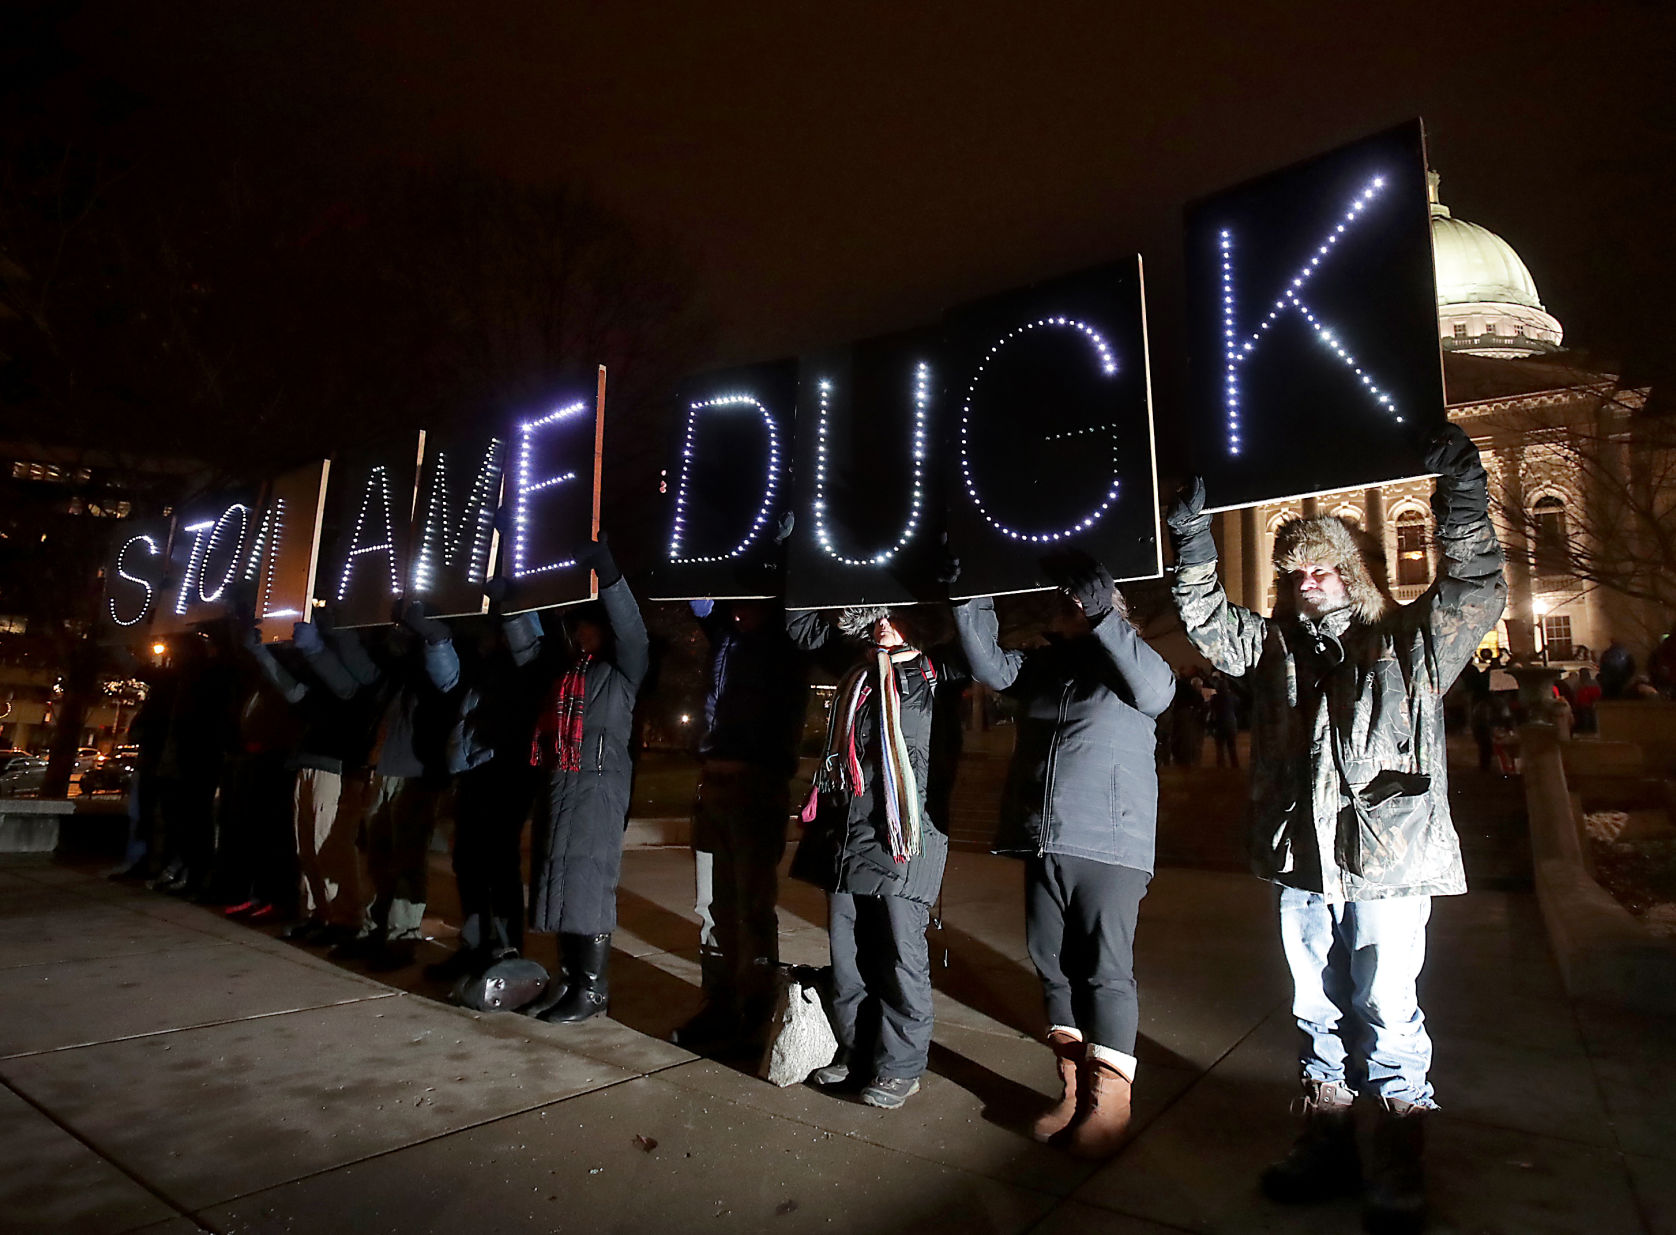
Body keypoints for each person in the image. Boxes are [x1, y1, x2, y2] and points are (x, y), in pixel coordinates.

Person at [1167, 423, 1506, 1235]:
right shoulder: (1276, 645)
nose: (1309, 579)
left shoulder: (1412, 639)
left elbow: (1477, 586)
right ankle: (1327, 1137)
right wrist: (1191, 538)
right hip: (1302, 859)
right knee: (1316, 1003)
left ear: (1350, 569)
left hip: (1388, 858)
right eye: (1295, 571)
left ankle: (1396, 1153)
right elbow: (1211, 621)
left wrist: (1461, 493)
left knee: (1388, 1004)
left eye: (1321, 565)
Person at [953, 553, 1173, 1158]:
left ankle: (1111, 1103)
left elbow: (1158, 692)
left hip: (1110, 840)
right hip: (1043, 834)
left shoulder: (1130, 663)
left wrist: (1105, 616)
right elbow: (991, 668)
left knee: (1103, 969)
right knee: (1052, 965)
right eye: (1067, 600)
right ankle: (1075, 1093)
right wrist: (968, 595)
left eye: (1079, 600)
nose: (1065, 605)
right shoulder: (1044, 665)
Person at [788, 605, 948, 1110]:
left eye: (896, 617)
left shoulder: (930, 675)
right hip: (848, 836)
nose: (884, 625)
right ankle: (857, 1052)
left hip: (902, 838)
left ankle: (901, 1066)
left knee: (901, 957)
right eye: (878, 616)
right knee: (849, 956)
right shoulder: (855, 671)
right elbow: (801, 627)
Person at [672, 599, 811, 1050]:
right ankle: (721, 1003)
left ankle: (753, 1009)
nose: (737, 608)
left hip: (757, 782)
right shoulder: (729, 636)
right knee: (713, 904)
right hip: (714, 779)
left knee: (750, 904)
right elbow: (700, 603)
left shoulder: (785, 640)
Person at [523, 537, 648, 1024]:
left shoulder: (623, 671)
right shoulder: (570, 673)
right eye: (577, 628)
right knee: (560, 883)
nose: (581, 635)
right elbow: (531, 644)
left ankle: (592, 991)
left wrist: (612, 579)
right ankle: (571, 980)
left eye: (588, 627)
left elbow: (633, 631)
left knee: (588, 885)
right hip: (565, 784)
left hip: (598, 787)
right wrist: (516, 607)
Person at [426, 603, 548, 982]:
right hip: (475, 769)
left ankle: (506, 950)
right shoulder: (483, 663)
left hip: (507, 769)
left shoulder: (527, 657)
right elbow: (450, 682)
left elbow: (531, 649)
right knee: (469, 861)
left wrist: (514, 611)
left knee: (498, 863)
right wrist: (435, 639)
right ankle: (477, 946)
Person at [1209, 673, 1241, 770]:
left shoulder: (1215, 698)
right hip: (1231, 723)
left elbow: (1212, 709)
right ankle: (1235, 766)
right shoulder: (1233, 697)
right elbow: (1238, 706)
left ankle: (1221, 766)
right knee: (1232, 747)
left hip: (1219, 724)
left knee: (1220, 748)